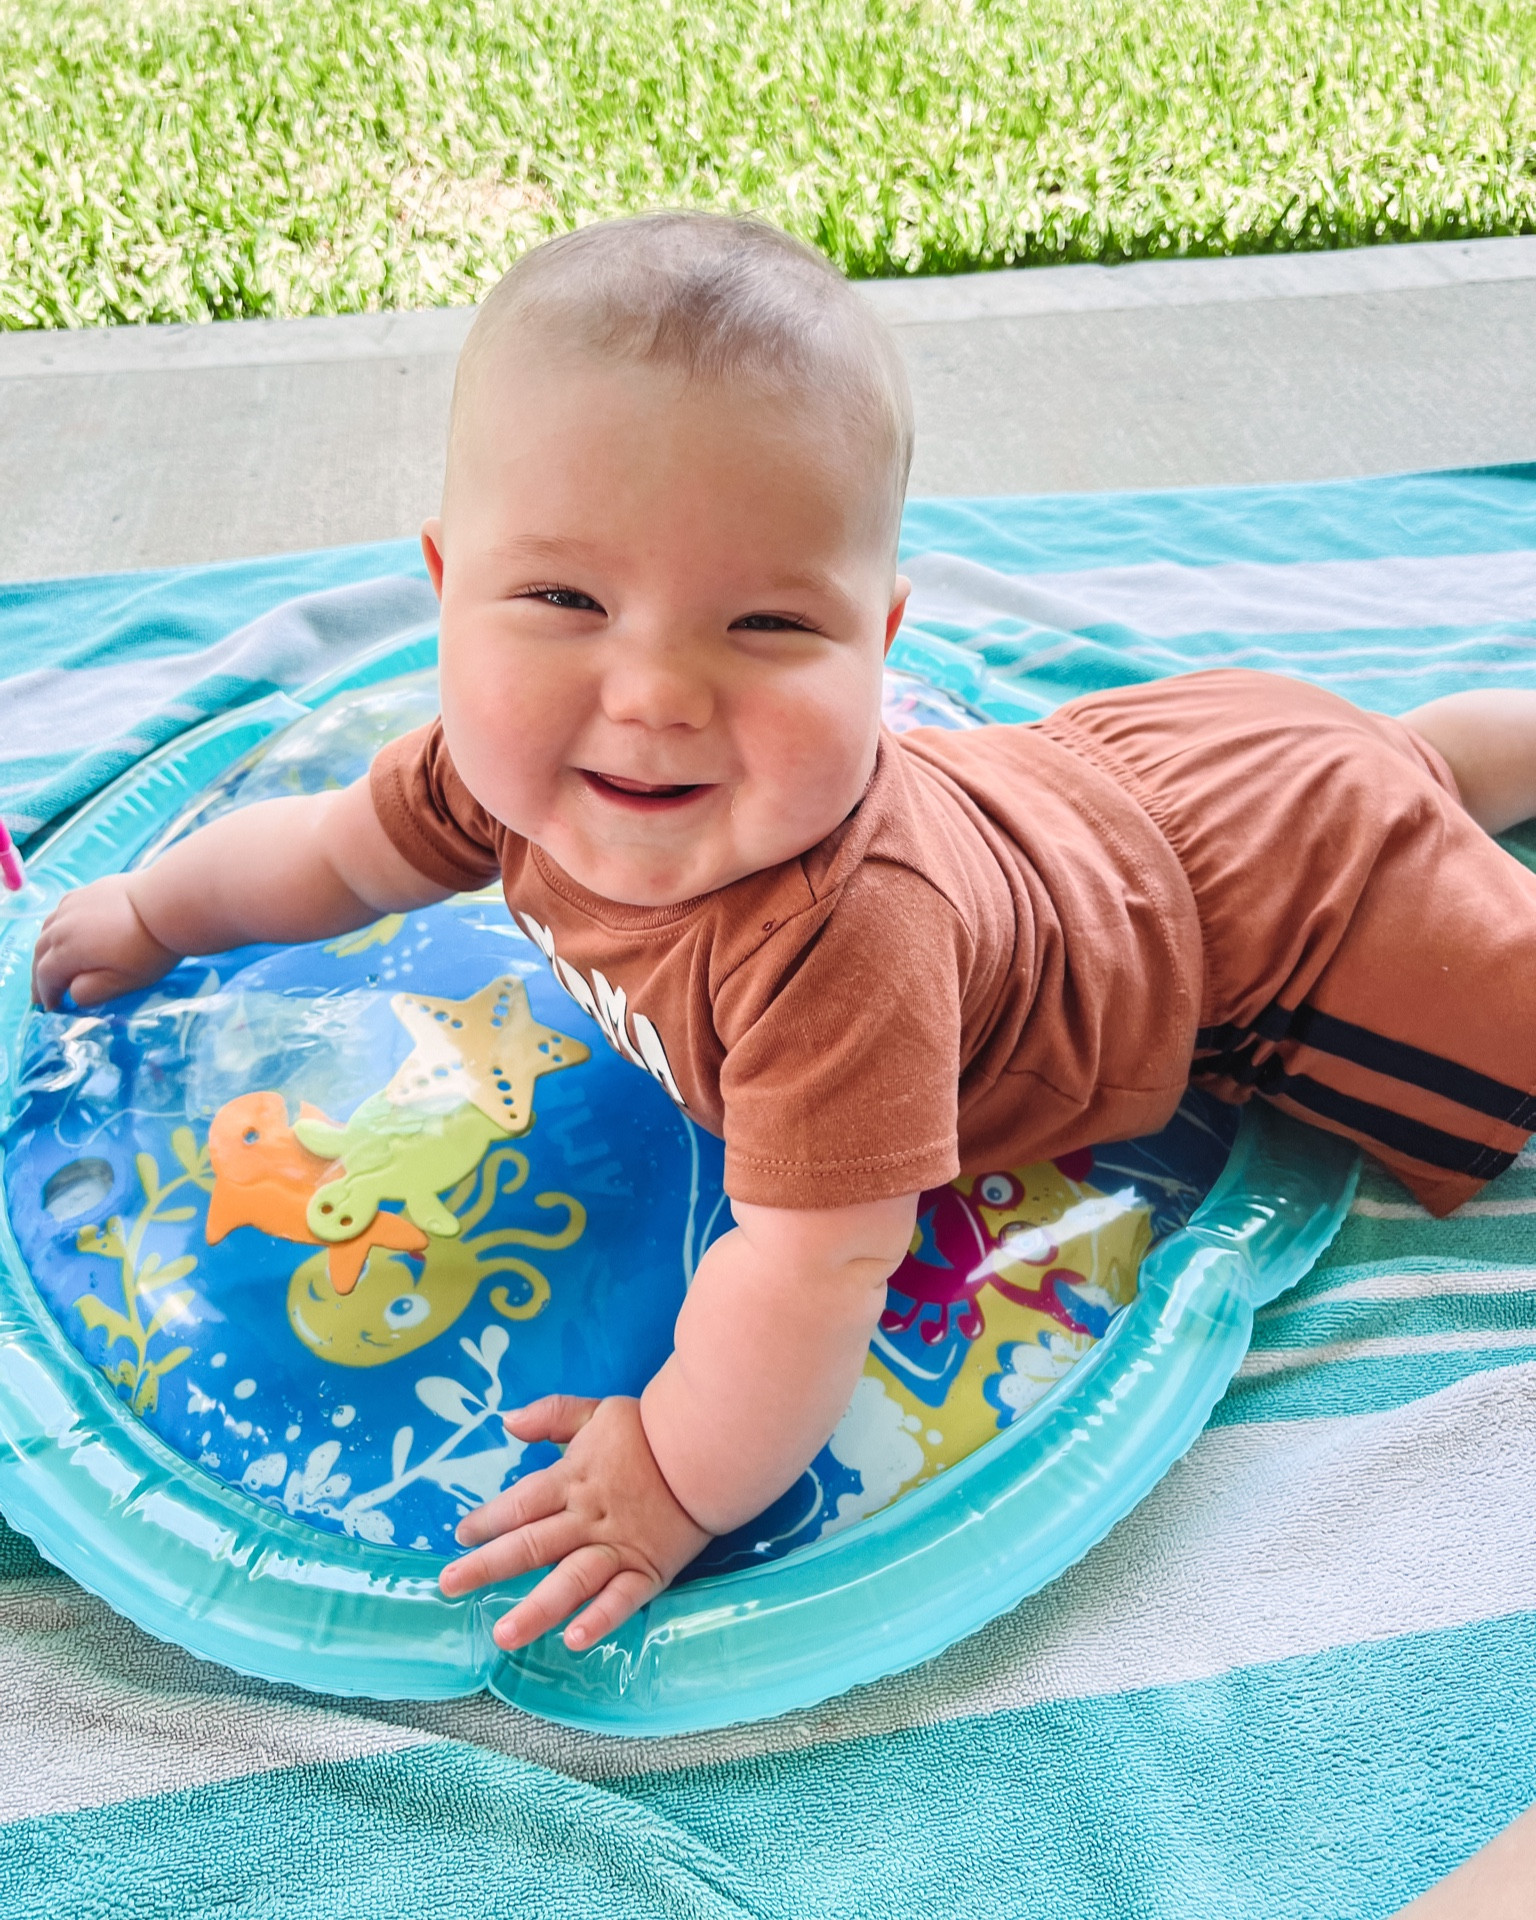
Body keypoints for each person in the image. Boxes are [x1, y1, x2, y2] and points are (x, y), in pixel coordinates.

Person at [30, 211, 1536, 1659]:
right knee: (1392, 752)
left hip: (1280, 912)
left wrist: (673, 1482)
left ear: (878, 643)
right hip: (1163, 760)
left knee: (1435, 886)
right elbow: (331, 855)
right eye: (564, 598)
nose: (656, 694)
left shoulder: (843, 947)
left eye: (765, 628)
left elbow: (814, 1272)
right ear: (448, 589)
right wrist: (162, 914)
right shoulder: (493, 767)